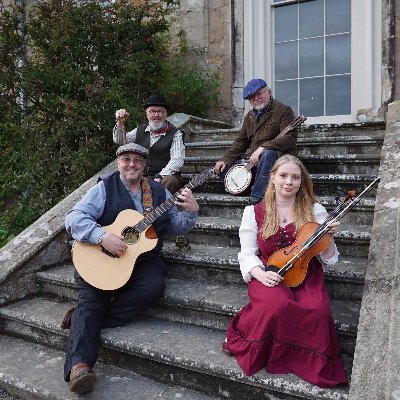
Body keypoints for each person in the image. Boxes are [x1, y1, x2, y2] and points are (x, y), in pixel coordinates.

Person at [62, 143, 199, 394]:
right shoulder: (104, 188)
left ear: (144, 165)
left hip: (142, 259)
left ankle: (85, 321)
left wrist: (191, 212)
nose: (131, 164)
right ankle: (79, 368)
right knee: (91, 302)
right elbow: (73, 218)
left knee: (154, 287)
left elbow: (174, 227)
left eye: (137, 160)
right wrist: (102, 237)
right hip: (100, 255)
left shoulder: (158, 192)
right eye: (126, 159)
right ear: (118, 162)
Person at [222, 154, 348, 388]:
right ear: (272, 178)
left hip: (305, 275)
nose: (288, 181)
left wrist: (328, 238)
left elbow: (329, 259)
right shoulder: (253, 212)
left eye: (295, 177)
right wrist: (259, 274)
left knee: (317, 311)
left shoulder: (315, 210)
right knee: (276, 304)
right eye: (283, 175)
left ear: (301, 182)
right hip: (269, 270)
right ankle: (245, 331)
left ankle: (298, 360)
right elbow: (247, 253)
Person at [214, 79, 298, 205]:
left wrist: (264, 147)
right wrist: (225, 159)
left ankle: (257, 197)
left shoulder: (284, 110)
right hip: (255, 162)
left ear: (268, 92)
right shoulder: (249, 117)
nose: (256, 98)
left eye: (259, 94)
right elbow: (241, 142)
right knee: (224, 170)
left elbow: (289, 138)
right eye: (252, 97)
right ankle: (253, 186)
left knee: (268, 154)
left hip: (278, 160)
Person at [113, 94, 185, 194]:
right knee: (118, 177)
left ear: (166, 114)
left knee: (170, 181)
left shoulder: (175, 134)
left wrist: (160, 176)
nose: (156, 115)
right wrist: (120, 121)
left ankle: (158, 208)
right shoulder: (140, 130)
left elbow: (177, 160)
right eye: (152, 111)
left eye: (160, 111)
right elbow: (120, 141)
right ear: (147, 114)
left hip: (165, 176)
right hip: (142, 174)